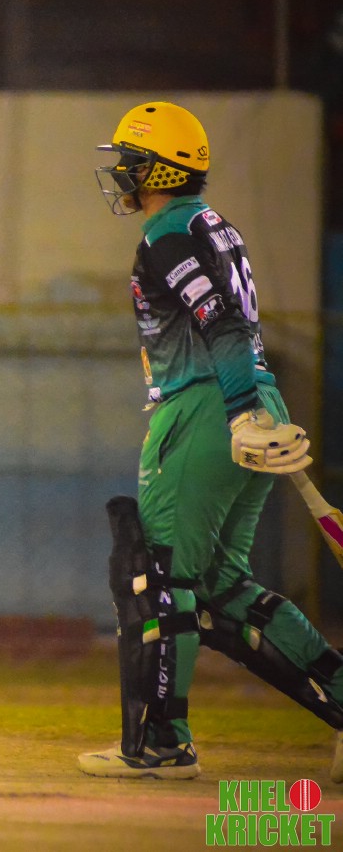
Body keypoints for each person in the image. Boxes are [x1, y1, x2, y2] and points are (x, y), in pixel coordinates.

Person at [79, 101, 343, 781]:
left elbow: (219, 319)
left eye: (132, 160)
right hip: (250, 394)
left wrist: (236, 413)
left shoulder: (168, 234)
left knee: (156, 578)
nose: (122, 172)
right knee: (221, 589)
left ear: (160, 170)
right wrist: (251, 407)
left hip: (207, 406)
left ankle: (160, 743)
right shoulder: (210, 223)